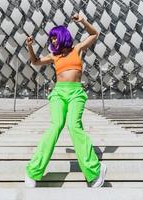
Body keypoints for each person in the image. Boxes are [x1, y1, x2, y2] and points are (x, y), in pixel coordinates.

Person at [25, 13, 106, 187]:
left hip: (76, 93)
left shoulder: (77, 49)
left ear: (62, 36)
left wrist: (83, 21)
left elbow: (94, 34)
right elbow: (35, 62)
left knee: (74, 126)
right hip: (59, 93)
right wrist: (30, 47)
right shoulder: (54, 56)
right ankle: (34, 170)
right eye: (51, 39)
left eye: (54, 38)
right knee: (55, 126)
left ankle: (94, 170)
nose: (52, 41)